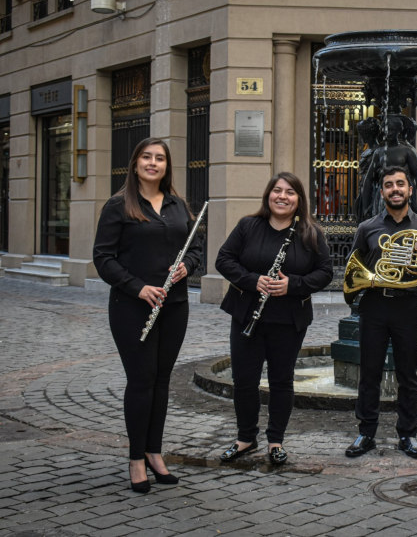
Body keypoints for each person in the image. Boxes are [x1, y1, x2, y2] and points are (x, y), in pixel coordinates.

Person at [93, 137, 203, 493]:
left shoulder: (177, 205)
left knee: (161, 381)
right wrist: (138, 287)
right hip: (132, 306)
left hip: (174, 306)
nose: (153, 163)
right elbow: (103, 258)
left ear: (167, 166)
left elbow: (195, 248)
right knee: (141, 381)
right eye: (146, 157)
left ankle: (155, 453)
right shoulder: (118, 205)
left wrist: (187, 265)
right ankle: (136, 459)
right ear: (136, 163)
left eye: (160, 158)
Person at [215, 172, 333, 466]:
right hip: (247, 314)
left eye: (290, 192)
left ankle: (275, 441)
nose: (282, 196)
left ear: (299, 200)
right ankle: (245, 438)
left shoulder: (310, 232)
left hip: (288, 319)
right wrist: (252, 280)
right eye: (277, 191)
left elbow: (325, 272)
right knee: (244, 380)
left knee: (281, 381)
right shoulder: (248, 226)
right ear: (268, 195)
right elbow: (224, 259)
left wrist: (291, 285)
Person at [344, 166, 417, 459]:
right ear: (382, 192)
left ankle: (408, 435)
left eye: (400, 184)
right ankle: (366, 433)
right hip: (374, 305)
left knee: (407, 374)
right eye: (389, 185)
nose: (395, 189)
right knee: (370, 373)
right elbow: (355, 266)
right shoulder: (367, 228)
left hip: (408, 306)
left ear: (410, 189)